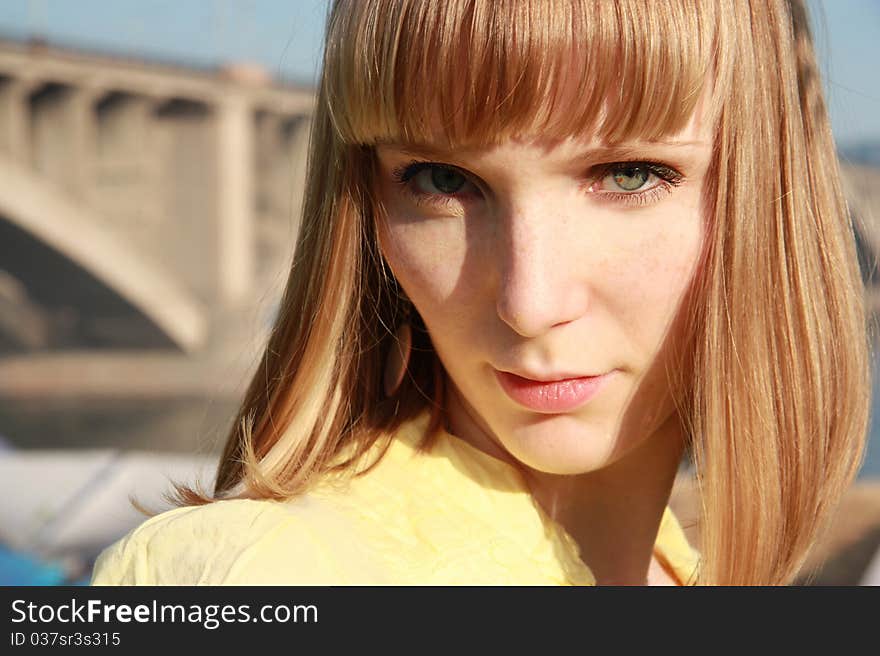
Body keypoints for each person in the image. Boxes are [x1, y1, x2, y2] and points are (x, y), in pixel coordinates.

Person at [90, 0, 871, 586]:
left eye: (628, 174)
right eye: (443, 181)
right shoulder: (265, 574)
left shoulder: (671, 568)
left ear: (772, 201)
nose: (528, 303)